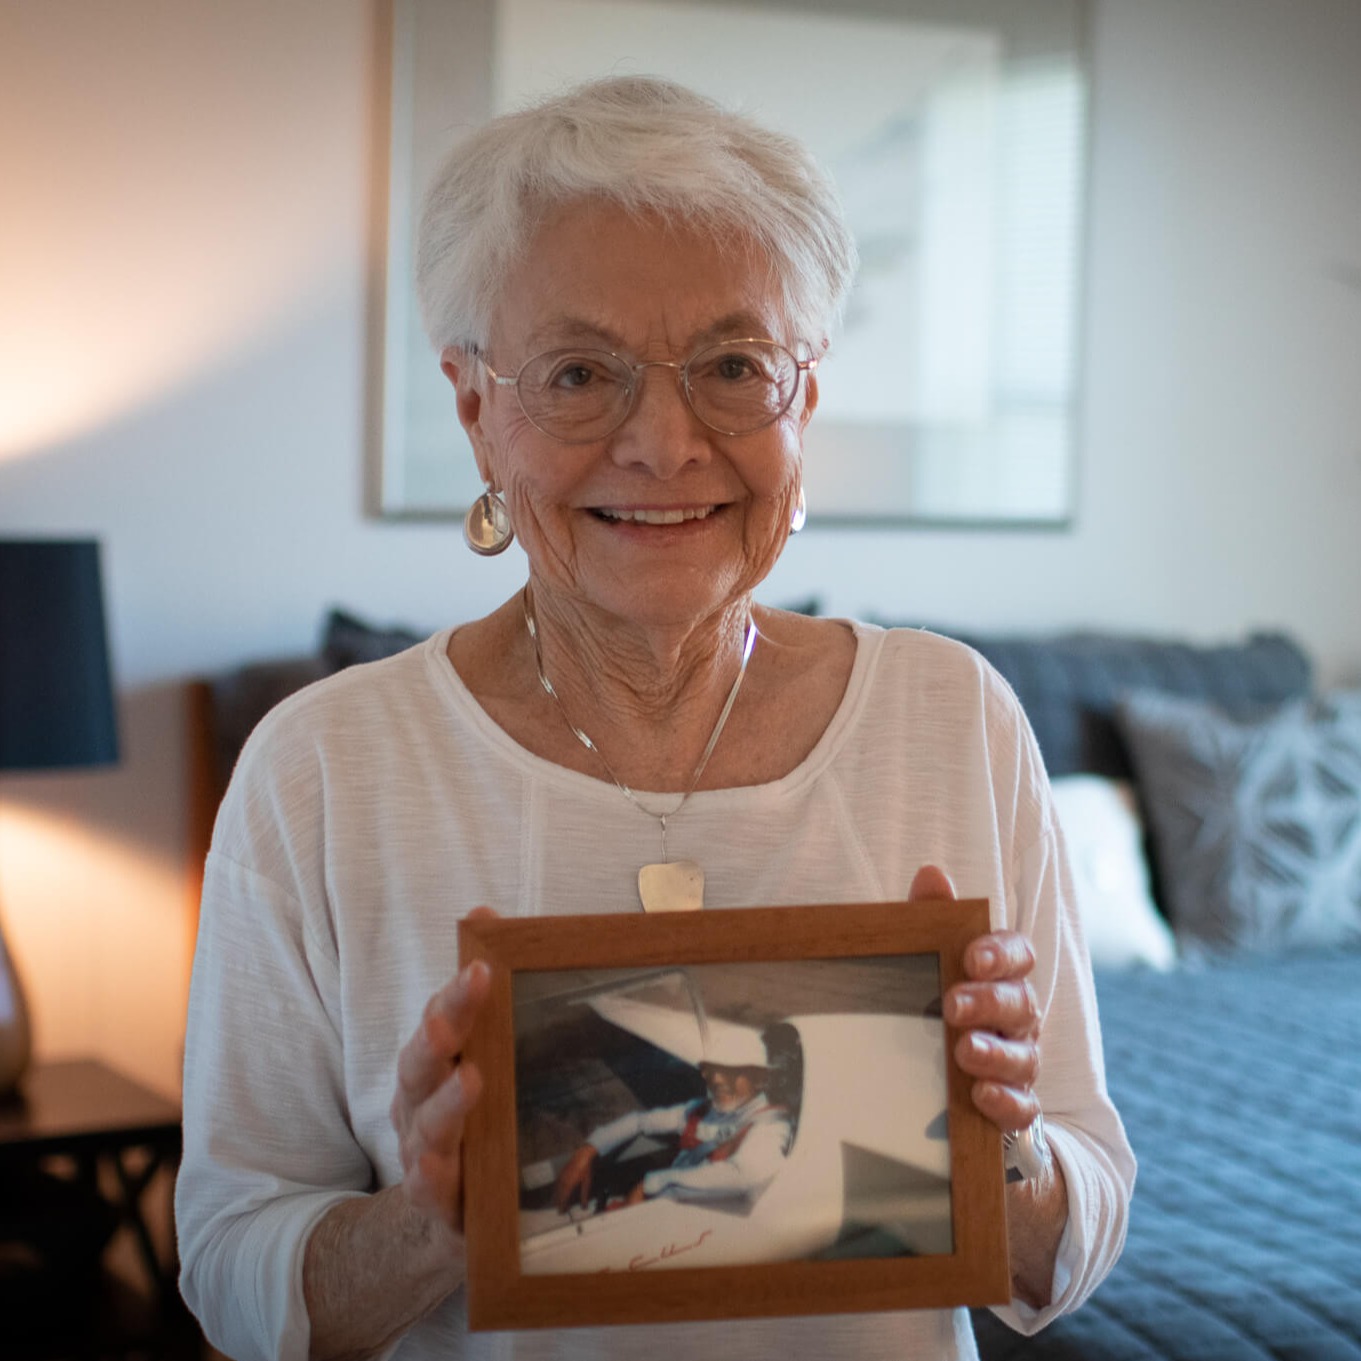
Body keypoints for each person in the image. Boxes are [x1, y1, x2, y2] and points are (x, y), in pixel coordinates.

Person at [176, 75, 1134, 1361]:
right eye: (581, 373)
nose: (665, 442)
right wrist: (436, 1220)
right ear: (475, 408)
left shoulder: (950, 714)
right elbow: (231, 1268)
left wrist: (998, 1140)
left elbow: (1064, 1252)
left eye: (732, 366)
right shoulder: (324, 768)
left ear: (801, 399)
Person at [553, 1024, 794, 1213]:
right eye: (710, 1069)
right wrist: (589, 1149)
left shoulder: (771, 1125)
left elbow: (744, 1175)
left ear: (760, 1078)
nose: (717, 1080)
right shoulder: (700, 1112)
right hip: (657, 1208)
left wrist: (652, 1184)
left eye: (731, 1070)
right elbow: (640, 1121)